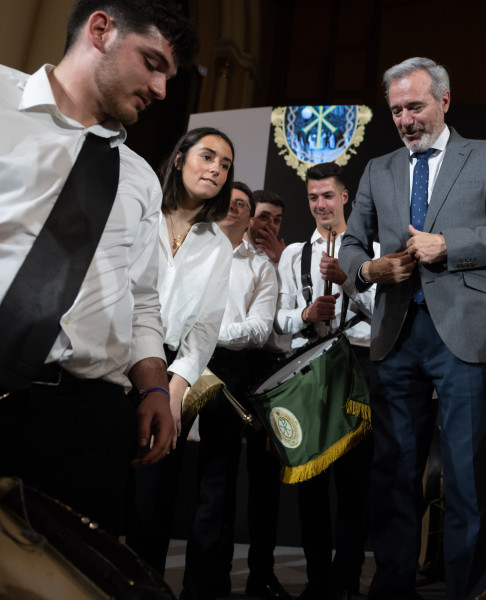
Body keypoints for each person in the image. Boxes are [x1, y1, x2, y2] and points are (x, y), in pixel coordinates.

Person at [0, 0, 197, 534]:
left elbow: (142, 298)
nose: (162, 90)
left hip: (89, 419)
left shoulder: (139, 177)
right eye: (153, 63)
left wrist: (155, 387)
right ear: (101, 29)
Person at [339, 57, 486, 600]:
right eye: (396, 110)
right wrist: (369, 270)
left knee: (467, 478)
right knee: (394, 473)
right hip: (395, 335)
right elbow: (351, 245)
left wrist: (452, 245)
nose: (405, 119)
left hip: (466, 335)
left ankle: (467, 590)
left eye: (416, 106)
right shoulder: (378, 169)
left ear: (444, 101)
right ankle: (392, 587)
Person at [127, 126, 233, 574]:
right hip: (113, 358)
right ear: (178, 158)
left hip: (170, 373)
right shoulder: (139, 213)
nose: (216, 169)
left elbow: (206, 327)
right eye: (207, 157)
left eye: (225, 165)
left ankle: (144, 583)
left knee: (152, 501)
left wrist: (175, 389)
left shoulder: (218, 246)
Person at [181, 183, 291, 600]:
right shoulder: (191, 248)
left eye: (273, 219)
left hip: (239, 374)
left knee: (221, 482)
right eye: (259, 213)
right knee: (167, 473)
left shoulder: (266, 266)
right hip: (180, 365)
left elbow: (260, 329)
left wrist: (205, 333)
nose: (264, 223)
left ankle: (212, 586)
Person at [275, 162, 377, 600]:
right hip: (309, 369)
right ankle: (318, 583)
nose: (321, 204)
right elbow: (275, 322)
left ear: (345, 197)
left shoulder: (372, 247)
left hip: (359, 366)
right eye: (314, 197)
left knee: (354, 485)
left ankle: (345, 583)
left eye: (328, 196)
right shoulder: (293, 254)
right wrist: (304, 315)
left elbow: (389, 318)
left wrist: (350, 283)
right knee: (310, 484)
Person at [246, 190, 286, 264]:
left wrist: (282, 261)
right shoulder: (227, 249)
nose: (271, 225)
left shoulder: (287, 259)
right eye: (263, 217)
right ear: (248, 217)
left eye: (276, 220)